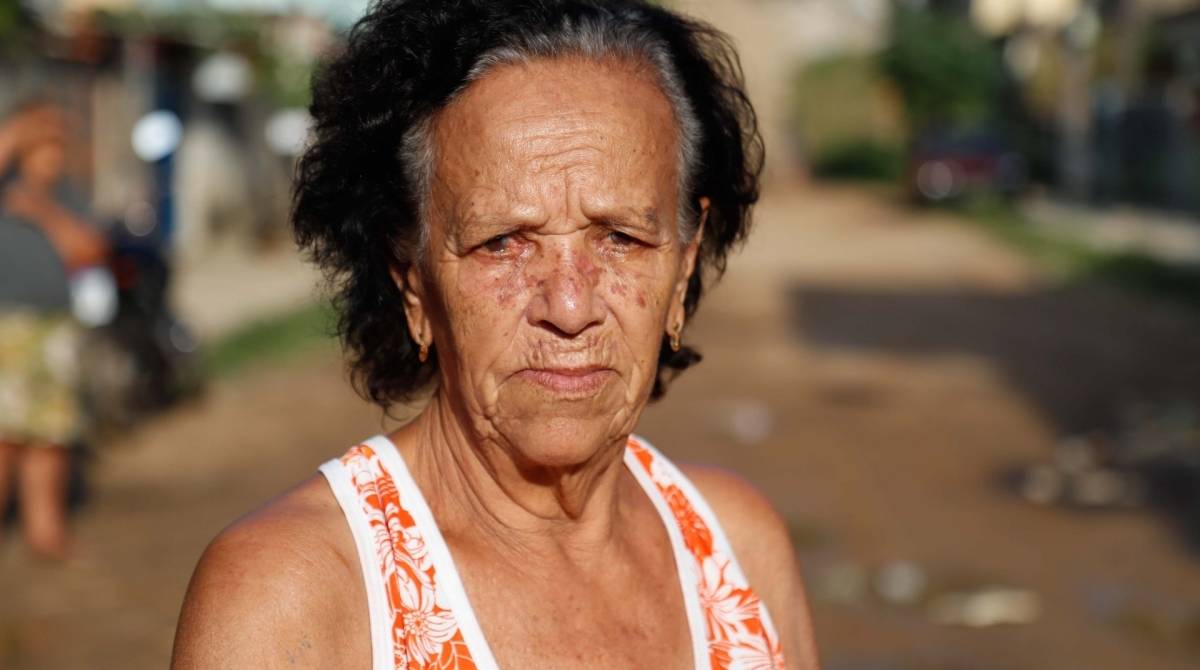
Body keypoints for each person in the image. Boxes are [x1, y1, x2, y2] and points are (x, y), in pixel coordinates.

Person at [173, 1, 820, 668]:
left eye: (622, 238)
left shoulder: (737, 548)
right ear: (413, 284)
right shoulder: (295, 596)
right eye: (502, 243)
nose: (569, 306)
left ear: (682, 268)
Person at [0, 101, 107, 560]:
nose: (53, 152)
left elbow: (90, 250)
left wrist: (41, 210)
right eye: (42, 140)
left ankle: (45, 529)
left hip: (56, 327)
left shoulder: (66, 195)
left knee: (51, 434)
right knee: (5, 435)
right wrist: (13, 136)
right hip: (8, 326)